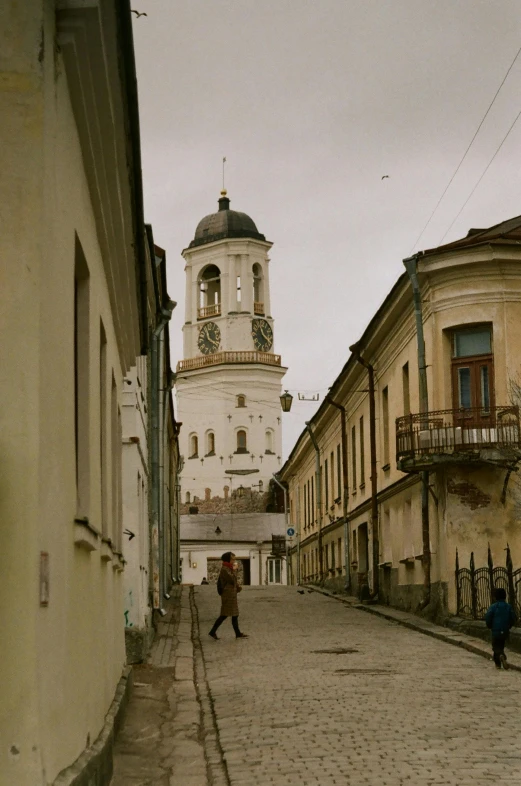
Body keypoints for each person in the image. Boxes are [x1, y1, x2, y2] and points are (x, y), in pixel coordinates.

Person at [209, 551, 248, 640]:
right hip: (227, 595)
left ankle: (237, 633)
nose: (234, 561)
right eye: (232, 559)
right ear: (228, 559)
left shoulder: (228, 568)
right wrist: (235, 570)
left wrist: (237, 587)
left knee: (234, 614)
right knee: (225, 615)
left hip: (231, 594)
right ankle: (212, 631)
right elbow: (231, 579)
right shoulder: (225, 569)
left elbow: (233, 581)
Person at [485, 587, 516, 669]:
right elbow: (513, 618)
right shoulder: (508, 606)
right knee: (501, 645)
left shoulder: (493, 607)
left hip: (495, 630)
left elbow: (488, 617)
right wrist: (509, 626)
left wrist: (489, 625)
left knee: (495, 646)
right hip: (505, 630)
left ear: (495, 597)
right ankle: (499, 662)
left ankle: (500, 658)